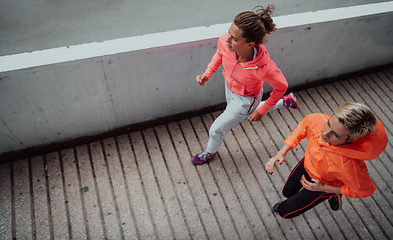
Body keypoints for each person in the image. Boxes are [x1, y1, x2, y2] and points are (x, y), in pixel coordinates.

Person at [192, 5, 298, 165]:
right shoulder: (225, 42)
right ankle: (286, 101)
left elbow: (281, 86)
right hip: (229, 86)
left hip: (246, 99)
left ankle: (209, 152)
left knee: (217, 129)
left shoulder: (264, 68)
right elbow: (219, 55)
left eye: (234, 38)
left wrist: (262, 110)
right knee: (241, 114)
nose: (227, 39)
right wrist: (207, 73)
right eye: (229, 32)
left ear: (250, 44)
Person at [265, 102, 388, 219]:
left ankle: (332, 195)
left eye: (337, 135)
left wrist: (327, 189)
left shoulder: (348, 166)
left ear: (350, 140)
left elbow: (365, 190)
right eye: (329, 123)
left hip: (324, 183)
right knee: (287, 192)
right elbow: (301, 130)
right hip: (307, 165)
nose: (325, 133)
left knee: (285, 212)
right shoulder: (317, 120)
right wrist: (281, 153)